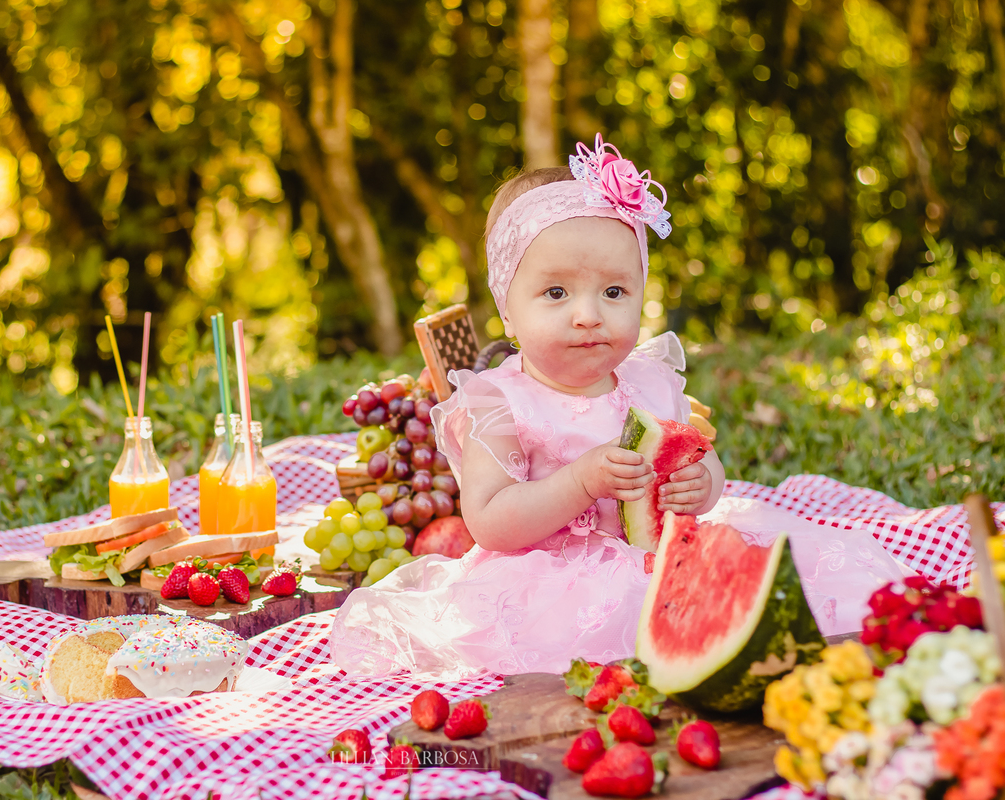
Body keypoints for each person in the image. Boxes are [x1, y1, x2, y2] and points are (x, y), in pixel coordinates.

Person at [329, 135, 908, 679]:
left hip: (670, 560)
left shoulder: (650, 383)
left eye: (614, 291)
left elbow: (701, 461)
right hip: (552, 584)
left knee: (805, 587)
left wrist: (702, 483)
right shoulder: (496, 403)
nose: (588, 315)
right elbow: (490, 522)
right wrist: (580, 481)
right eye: (556, 293)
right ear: (508, 307)